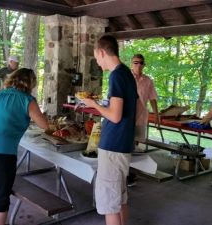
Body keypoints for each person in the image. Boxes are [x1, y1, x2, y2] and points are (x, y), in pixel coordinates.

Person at [0, 68, 48, 225]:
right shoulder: (28, 100)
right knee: (2, 193)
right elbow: (44, 125)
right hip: (1, 149)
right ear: (31, 83)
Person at [83, 35, 137, 225]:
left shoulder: (116, 75)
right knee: (119, 198)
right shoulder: (127, 74)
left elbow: (115, 116)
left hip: (113, 145)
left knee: (109, 203)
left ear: (102, 52)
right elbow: (137, 110)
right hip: (123, 143)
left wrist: (93, 104)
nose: (97, 61)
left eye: (96, 57)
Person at [127, 54, 160, 187]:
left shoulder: (148, 80)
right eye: (136, 62)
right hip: (127, 117)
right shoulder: (126, 77)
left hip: (141, 117)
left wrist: (156, 114)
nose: (138, 65)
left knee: (135, 146)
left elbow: (152, 98)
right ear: (131, 63)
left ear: (144, 64)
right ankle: (125, 173)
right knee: (126, 144)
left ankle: (132, 172)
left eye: (141, 63)